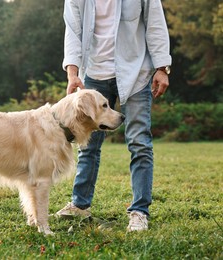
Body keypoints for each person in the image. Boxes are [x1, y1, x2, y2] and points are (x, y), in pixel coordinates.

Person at [55, 0, 172, 231]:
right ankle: (80, 204)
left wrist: (162, 67)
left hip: (136, 71)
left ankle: (139, 211)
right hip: (94, 74)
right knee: (88, 146)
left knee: (139, 143)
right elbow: (73, 30)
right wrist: (73, 72)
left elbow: (155, 23)